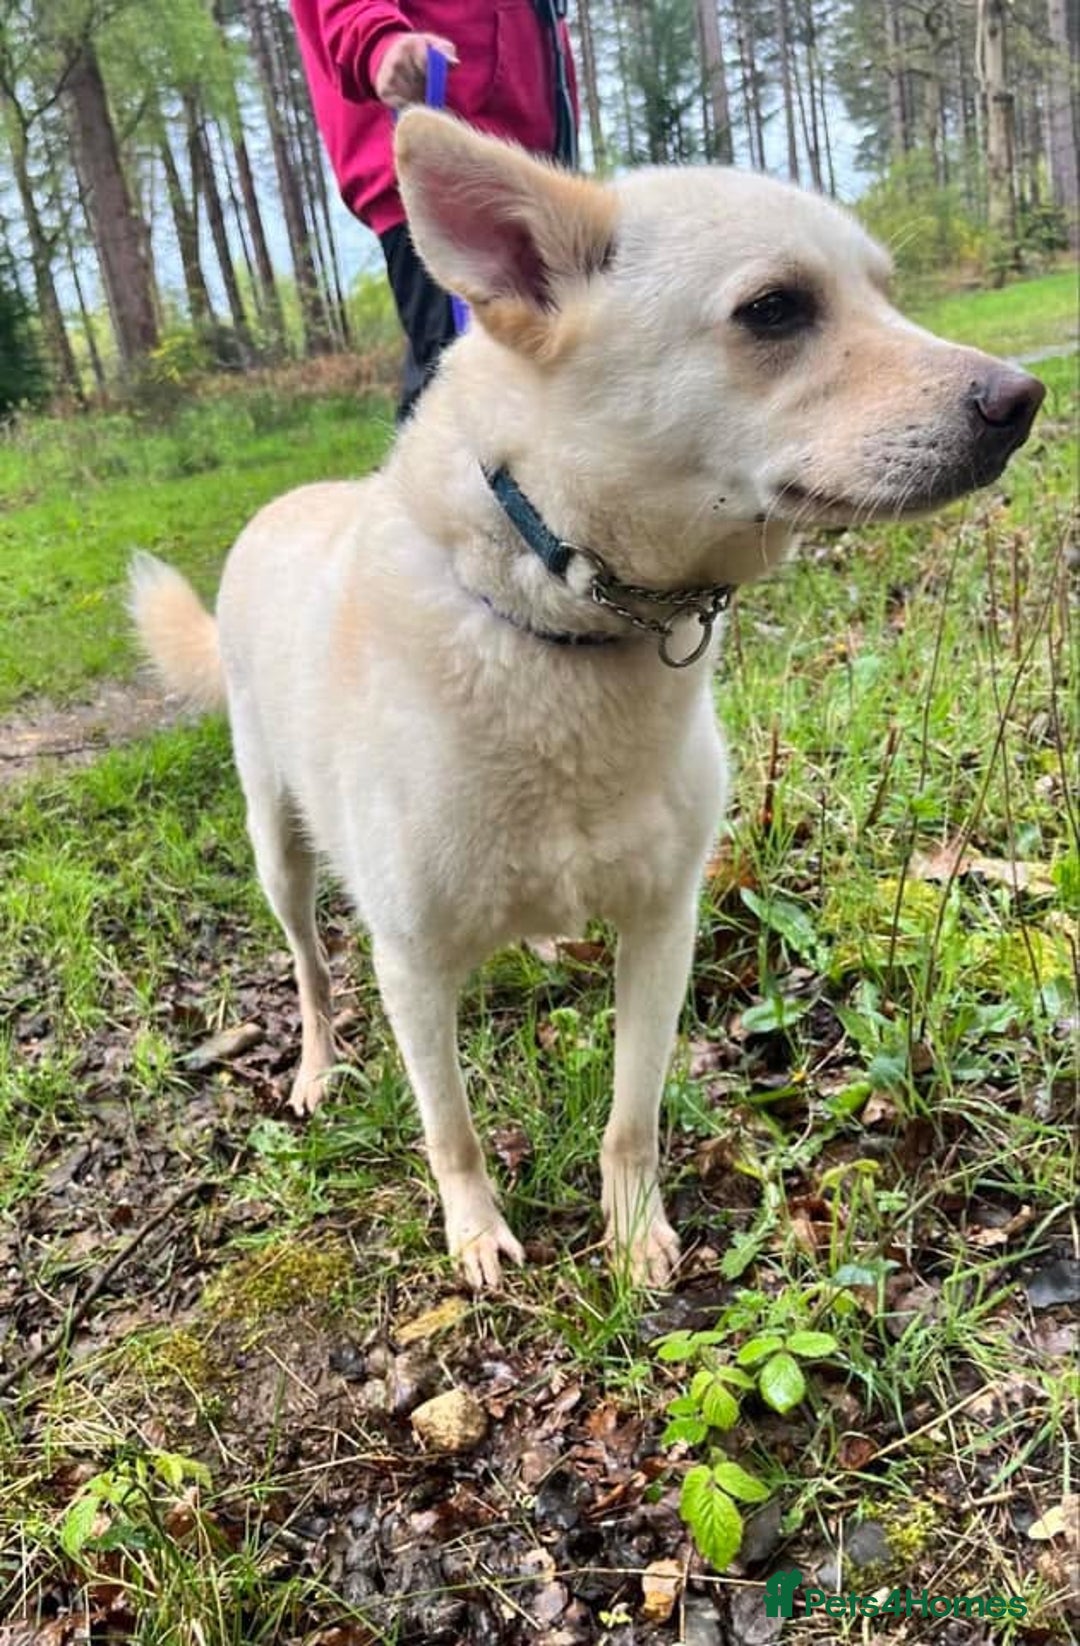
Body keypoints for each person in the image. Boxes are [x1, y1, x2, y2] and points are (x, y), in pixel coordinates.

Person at [291, 0, 578, 417]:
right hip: (450, 175)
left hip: (526, 168)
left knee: (511, 385)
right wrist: (377, 40)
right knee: (467, 395)